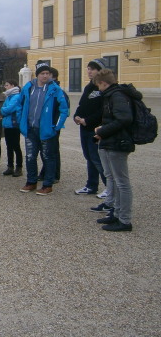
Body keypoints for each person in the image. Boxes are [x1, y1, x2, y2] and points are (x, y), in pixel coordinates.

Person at [93, 69, 137, 232]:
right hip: (111, 141)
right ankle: (117, 214)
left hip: (118, 143)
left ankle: (124, 220)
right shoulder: (112, 95)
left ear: (103, 83)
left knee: (122, 182)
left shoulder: (117, 96)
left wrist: (102, 131)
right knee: (116, 180)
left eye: (98, 85)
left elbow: (124, 119)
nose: (98, 89)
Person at [18, 62, 69, 195]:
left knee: (48, 157)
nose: (45, 76)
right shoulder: (29, 87)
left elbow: (64, 110)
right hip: (30, 128)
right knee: (30, 157)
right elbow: (20, 104)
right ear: (37, 75)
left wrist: (56, 127)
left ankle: (47, 184)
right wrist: (20, 121)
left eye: (47, 73)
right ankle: (31, 182)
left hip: (46, 129)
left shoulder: (55, 89)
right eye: (42, 73)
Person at [73, 58, 108, 198]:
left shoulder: (103, 88)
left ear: (100, 71)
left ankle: (109, 187)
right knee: (89, 157)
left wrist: (87, 120)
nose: (89, 71)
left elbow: (102, 110)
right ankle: (91, 185)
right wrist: (77, 116)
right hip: (84, 128)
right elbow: (82, 105)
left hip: (96, 129)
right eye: (88, 69)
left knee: (97, 158)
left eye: (92, 69)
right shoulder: (89, 87)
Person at [0, 79, 23, 177]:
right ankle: (10, 166)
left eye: (7, 85)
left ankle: (19, 167)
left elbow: (8, 109)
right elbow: (5, 108)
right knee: (9, 146)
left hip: (14, 124)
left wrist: (2, 110)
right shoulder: (9, 96)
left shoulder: (16, 96)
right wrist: (3, 110)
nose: (5, 87)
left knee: (16, 146)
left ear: (13, 85)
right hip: (8, 124)